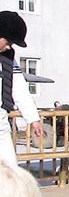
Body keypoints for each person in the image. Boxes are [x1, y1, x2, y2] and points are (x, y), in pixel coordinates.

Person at [0, 11, 43, 165]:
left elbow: (20, 91)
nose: (8, 47)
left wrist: (33, 119)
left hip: (1, 123)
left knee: (11, 170)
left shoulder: (8, 59)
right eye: (8, 42)